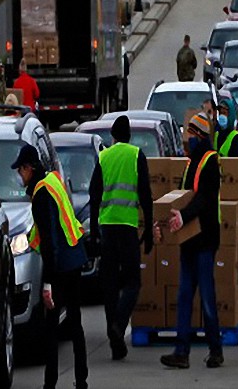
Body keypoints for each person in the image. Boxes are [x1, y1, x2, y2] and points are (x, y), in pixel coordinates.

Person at [12, 145, 89, 389]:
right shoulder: (52, 181)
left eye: (20, 170)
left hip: (61, 266)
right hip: (75, 258)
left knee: (51, 327)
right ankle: (82, 379)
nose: (19, 176)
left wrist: (47, 284)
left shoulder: (41, 195)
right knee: (75, 323)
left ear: (29, 168)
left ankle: (50, 383)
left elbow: (50, 242)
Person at [88, 115, 154, 360]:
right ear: (130, 136)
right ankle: (118, 325)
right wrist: (147, 230)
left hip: (107, 228)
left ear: (114, 136)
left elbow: (94, 195)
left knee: (109, 285)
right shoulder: (136, 155)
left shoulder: (104, 156)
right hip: (127, 227)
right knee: (132, 282)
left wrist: (94, 233)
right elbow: (145, 195)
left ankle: (116, 342)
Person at [158, 124, 224, 369]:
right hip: (189, 240)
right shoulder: (191, 163)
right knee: (185, 294)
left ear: (200, 136)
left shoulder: (209, 163)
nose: (188, 141)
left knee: (206, 295)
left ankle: (215, 350)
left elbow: (204, 199)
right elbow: (183, 196)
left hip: (205, 239)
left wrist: (183, 217)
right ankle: (181, 351)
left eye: (191, 136)